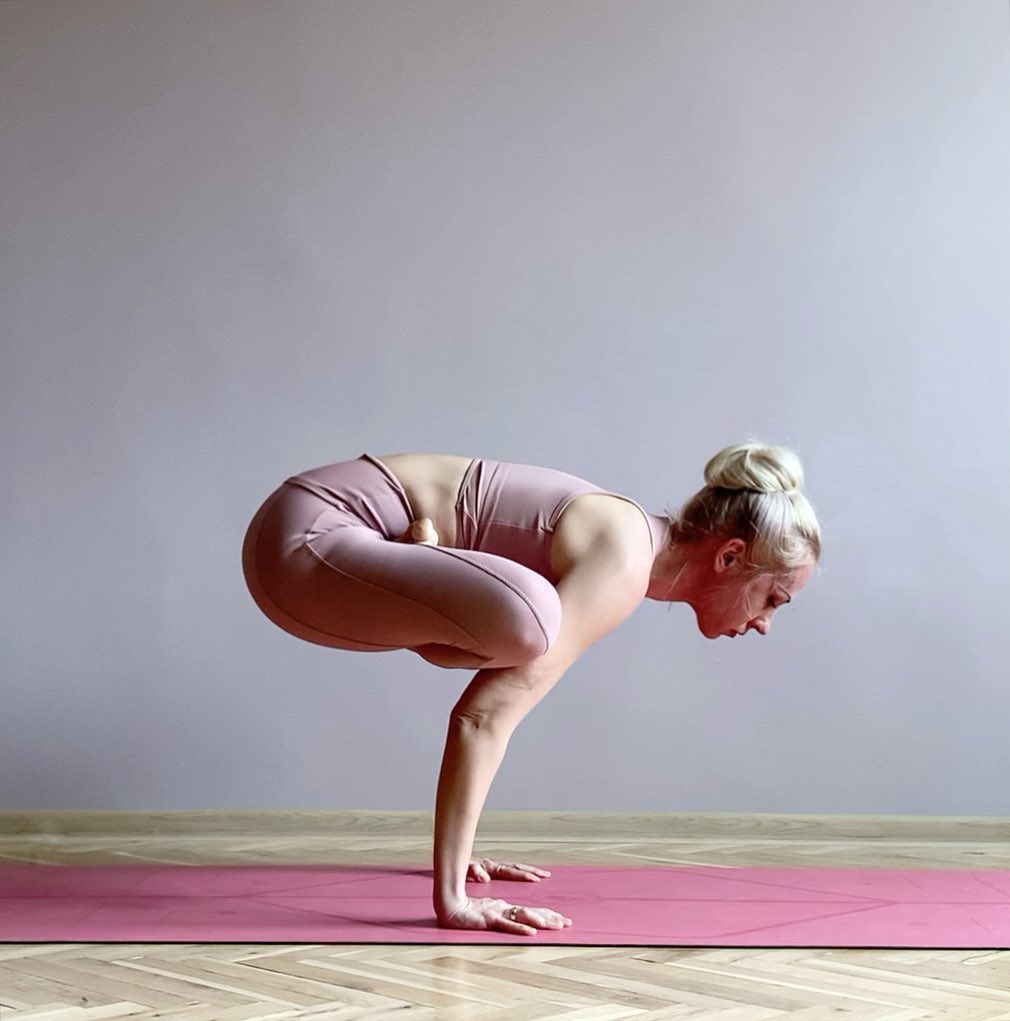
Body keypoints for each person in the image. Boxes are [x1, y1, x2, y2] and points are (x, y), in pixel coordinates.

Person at [241, 442, 821, 936]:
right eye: (774, 598)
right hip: (308, 538)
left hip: (301, 550)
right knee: (532, 624)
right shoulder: (623, 561)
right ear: (729, 555)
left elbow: (478, 680)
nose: (766, 623)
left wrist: (461, 857)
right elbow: (482, 716)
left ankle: (427, 553)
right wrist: (455, 902)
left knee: (521, 632)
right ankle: (428, 553)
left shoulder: (625, 540)